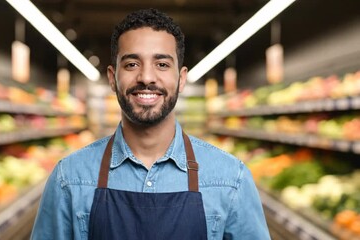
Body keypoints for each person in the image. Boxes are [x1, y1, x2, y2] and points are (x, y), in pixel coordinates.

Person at [31, 8, 271, 240]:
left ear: (182, 78)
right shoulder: (69, 178)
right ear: (112, 78)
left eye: (162, 64)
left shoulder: (231, 179)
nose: (146, 77)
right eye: (132, 64)